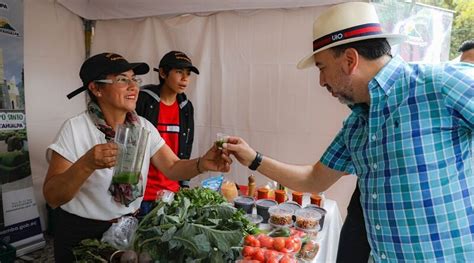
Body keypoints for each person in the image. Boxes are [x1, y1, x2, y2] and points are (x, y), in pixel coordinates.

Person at [224, 2, 473, 261]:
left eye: (321, 67)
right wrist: (253, 158)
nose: (321, 81)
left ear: (350, 60)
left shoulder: (438, 84)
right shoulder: (357, 124)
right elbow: (314, 179)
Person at [43, 52, 231, 262]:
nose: (134, 87)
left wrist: (201, 164)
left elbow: (172, 166)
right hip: (82, 235)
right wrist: (86, 164)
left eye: (134, 79)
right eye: (123, 80)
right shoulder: (75, 129)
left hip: (127, 230)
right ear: (96, 88)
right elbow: (52, 196)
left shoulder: (142, 126)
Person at [135, 51, 199, 217]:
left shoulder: (186, 107)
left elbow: (187, 144)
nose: (185, 78)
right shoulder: (143, 100)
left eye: (188, 74)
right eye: (179, 72)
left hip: (171, 192)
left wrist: (184, 184)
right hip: (142, 193)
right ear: (163, 73)